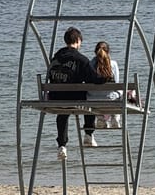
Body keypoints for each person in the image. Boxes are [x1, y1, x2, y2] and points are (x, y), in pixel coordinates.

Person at [48, 27, 105, 161]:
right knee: (89, 100)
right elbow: (94, 79)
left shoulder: (55, 57)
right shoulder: (81, 59)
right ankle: (88, 134)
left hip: (55, 97)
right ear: (78, 41)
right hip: (75, 98)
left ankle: (62, 145)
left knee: (62, 112)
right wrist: (106, 78)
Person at [90, 41, 122, 129]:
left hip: (92, 101)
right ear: (108, 52)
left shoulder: (90, 64)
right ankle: (115, 117)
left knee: (95, 95)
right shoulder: (113, 64)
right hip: (110, 100)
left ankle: (100, 119)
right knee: (123, 92)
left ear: (95, 52)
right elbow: (117, 84)